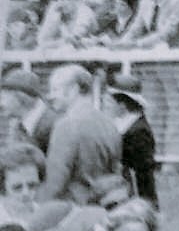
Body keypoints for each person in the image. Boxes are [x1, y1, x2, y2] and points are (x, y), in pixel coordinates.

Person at [41, 64, 125, 207]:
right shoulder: (109, 124)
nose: (50, 96)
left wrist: (38, 209)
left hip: (74, 208)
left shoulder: (66, 125)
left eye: (55, 89)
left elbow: (56, 181)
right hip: (104, 204)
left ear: (74, 89)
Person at [102, 75, 159, 209]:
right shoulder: (124, 125)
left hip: (134, 199)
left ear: (122, 106)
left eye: (109, 103)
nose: (106, 107)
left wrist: (144, 205)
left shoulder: (139, 133)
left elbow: (143, 176)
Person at [0, 69, 56, 154]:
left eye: (3, 98)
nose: (1, 104)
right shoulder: (21, 124)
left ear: (19, 97)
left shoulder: (51, 126)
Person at [0, 143, 45, 226]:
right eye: (17, 187)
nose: (26, 193)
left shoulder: (45, 217)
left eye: (32, 185)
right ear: (3, 187)